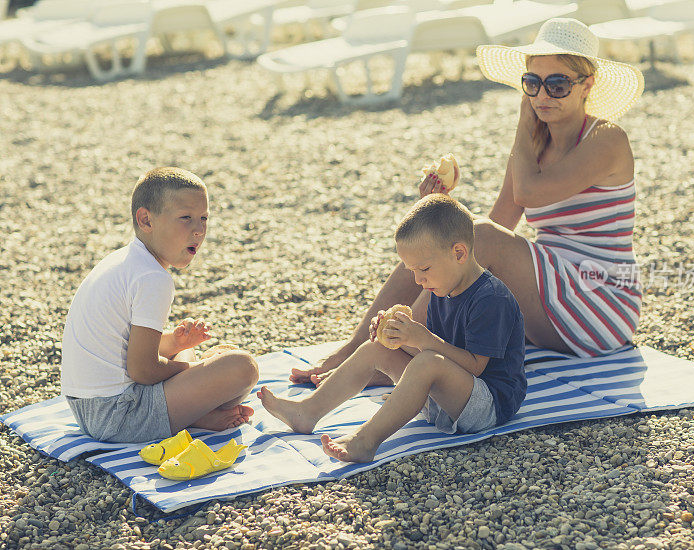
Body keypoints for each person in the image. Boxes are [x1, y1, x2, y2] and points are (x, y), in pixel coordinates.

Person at [292, 18, 645, 386]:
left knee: (474, 239)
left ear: (586, 84)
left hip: (600, 298)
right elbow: (499, 224)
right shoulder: (534, 143)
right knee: (448, 243)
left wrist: (524, 125)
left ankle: (387, 356)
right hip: (551, 290)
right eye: (532, 83)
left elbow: (524, 198)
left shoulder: (607, 138)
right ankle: (354, 348)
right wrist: (441, 207)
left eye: (557, 84)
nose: (541, 96)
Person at [259, 194, 526, 463]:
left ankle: (366, 440)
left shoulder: (491, 298)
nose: (418, 280)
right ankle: (307, 412)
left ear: (459, 253)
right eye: (412, 271)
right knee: (376, 349)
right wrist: (398, 337)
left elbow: (475, 366)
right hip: (446, 399)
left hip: (488, 404)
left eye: (423, 268)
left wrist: (423, 339)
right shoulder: (442, 287)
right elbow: (435, 351)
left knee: (427, 362)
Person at [60, 167, 260, 443]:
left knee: (193, 354)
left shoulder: (125, 260)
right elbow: (142, 370)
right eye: (185, 218)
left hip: (87, 410)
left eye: (203, 218)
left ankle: (195, 412)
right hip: (120, 415)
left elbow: (130, 352)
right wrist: (196, 368)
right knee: (242, 366)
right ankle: (195, 416)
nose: (199, 230)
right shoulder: (152, 277)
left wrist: (177, 344)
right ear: (146, 220)